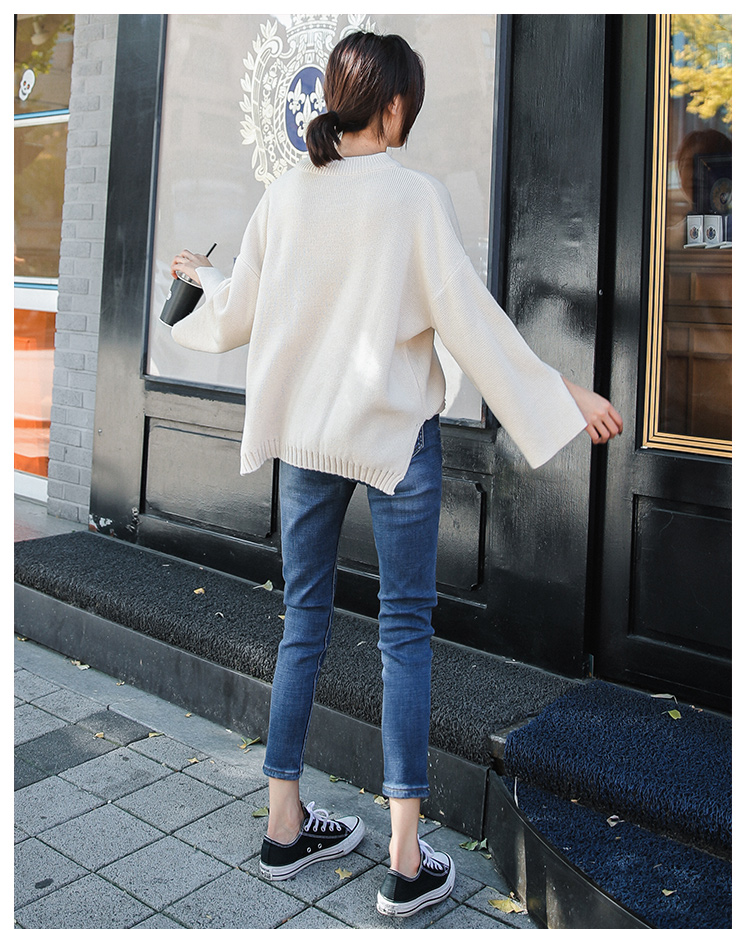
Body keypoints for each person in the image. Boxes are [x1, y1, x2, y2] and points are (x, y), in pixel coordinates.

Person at [169, 30, 623, 919]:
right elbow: (471, 322)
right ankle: (406, 859)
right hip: (394, 442)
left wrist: (200, 281)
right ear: (394, 105)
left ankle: (283, 823)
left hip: (306, 443)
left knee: (303, 624)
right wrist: (562, 391)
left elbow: (238, 318)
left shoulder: (285, 195)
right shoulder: (413, 198)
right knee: (403, 635)